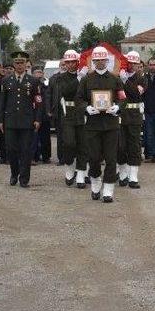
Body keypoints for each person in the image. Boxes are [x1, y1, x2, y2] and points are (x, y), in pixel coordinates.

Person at [75, 46, 125, 202]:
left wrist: (117, 107)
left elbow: (122, 98)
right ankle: (96, 183)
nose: (100, 62)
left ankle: (108, 189)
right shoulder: (86, 80)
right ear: (93, 61)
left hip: (111, 125)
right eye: (97, 60)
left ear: (107, 61)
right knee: (94, 158)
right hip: (93, 125)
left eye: (103, 60)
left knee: (111, 158)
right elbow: (79, 100)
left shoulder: (115, 79)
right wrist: (86, 108)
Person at [0, 51, 42, 188]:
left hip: (27, 121)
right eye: (17, 63)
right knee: (11, 149)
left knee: (25, 151)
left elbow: (38, 102)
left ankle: (24, 178)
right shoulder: (6, 80)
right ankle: (14, 173)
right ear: (13, 64)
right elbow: (1, 102)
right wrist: (0, 120)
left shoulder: (33, 81)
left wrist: (37, 119)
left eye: (22, 62)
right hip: (10, 121)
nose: (19, 65)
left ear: (26, 64)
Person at [56, 50, 88, 188]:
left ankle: (81, 173)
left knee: (83, 145)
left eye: (72, 62)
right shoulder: (60, 78)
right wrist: (78, 79)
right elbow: (66, 91)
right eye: (67, 62)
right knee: (69, 143)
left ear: (77, 62)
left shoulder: (85, 77)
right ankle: (70, 167)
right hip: (68, 113)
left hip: (82, 113)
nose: (70, 65)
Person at [117, 51, 147, 188]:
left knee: (134, 146)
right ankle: (122, 173)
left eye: (135, 63)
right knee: (121, 146)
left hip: (134, 115)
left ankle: (133, 176)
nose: (132, 66)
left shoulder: (142, 78)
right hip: (121, 115)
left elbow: (136, 93)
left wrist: (125, 81)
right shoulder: (118, 76)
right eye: (130, 63)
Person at [47, 60, 66, 165]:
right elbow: (48, 94)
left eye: (65, 64)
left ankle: (72, 158)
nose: (64, 66)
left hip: (71, 111)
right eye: (62, 65)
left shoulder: (75, 77)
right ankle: (61, 158)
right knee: (60, 136)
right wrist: (49, 109)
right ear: (59, 66)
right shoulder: (53, 78)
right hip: (58, 111)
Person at [31, 66, 51, 164]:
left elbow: (48, 100)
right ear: (32, 74)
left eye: (40, 72)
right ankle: (34, 157)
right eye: (36, 72)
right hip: (33, 115)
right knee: (34, 137)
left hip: (45, 115)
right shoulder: (30, 86)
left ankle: (46, 157)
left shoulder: (46, 87)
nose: (39, 74)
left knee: (46, 138)